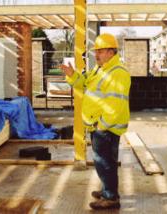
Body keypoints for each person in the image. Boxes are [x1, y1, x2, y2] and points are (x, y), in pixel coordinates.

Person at [60, 33, 130, 210]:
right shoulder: (101, 69)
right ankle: (108, 190)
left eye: (100, 51)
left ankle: (110, 198)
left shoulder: (118, 73)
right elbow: (84, 84)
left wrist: (102, 125)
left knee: (104, 162)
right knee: (106, 162)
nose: (96, 55)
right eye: (96, 51)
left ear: (111, 52)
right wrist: (72, 75)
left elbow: (116, 104)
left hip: (104, 128)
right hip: (98, 125)